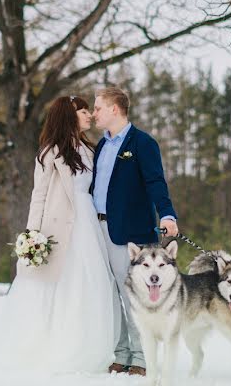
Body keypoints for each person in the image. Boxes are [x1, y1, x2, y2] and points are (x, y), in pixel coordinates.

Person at [3, 95, 119, 372]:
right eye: (83, 111)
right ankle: (56, 347)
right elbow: (38, 195)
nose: (89, 115)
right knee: (61, 285)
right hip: (59, 226)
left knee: (90, 285)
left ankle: (89, 347)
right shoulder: (49, 152)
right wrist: (32, 234)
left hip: (88, 222)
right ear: (69, 115)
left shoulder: (91, 150)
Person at [91, 86, 179, 377]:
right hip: (99, 229)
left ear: (114, 109)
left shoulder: (142, 143)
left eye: (98, 108)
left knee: (134, 296)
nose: (94, 114)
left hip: (130, 233)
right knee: (111, 295)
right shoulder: (102, 146)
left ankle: (142, 357)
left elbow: (156, 182)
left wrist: (167, 214)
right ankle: (122, 353)